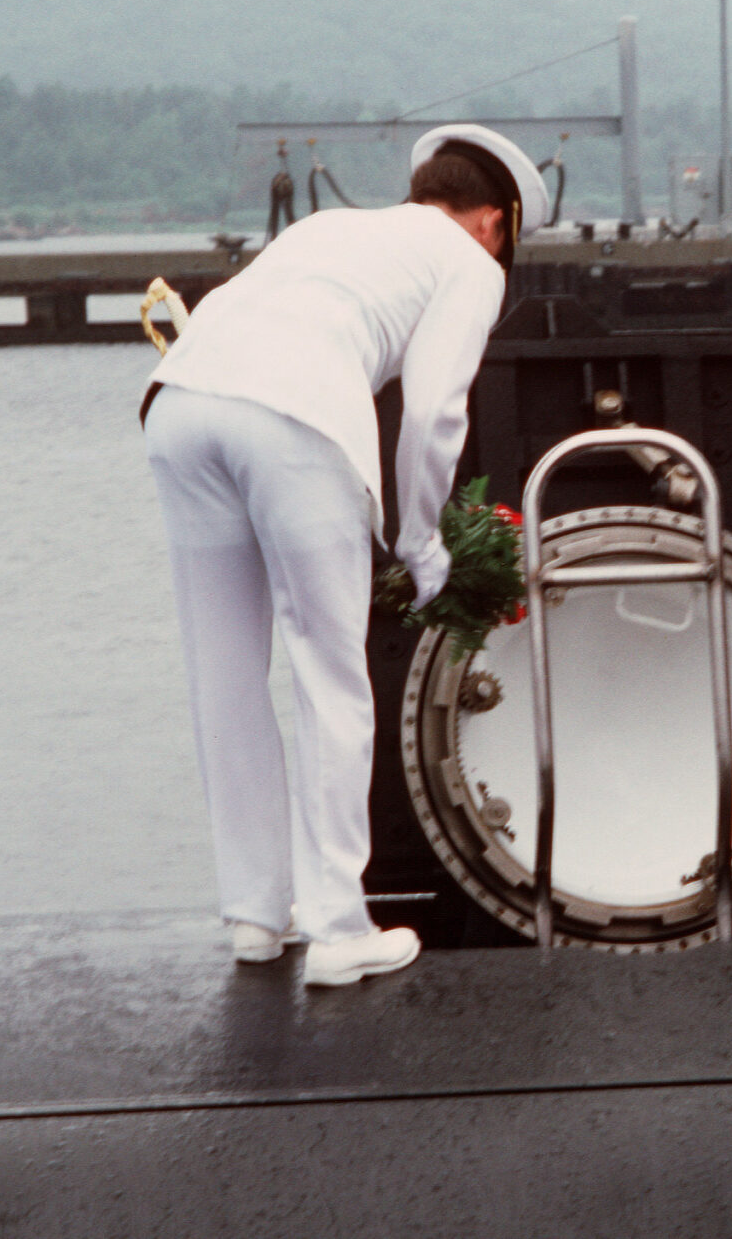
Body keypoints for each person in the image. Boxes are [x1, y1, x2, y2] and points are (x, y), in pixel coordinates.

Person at [139, 124, 546, 986]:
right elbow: (437, 411)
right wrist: (422, 540)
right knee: (330, 675)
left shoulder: (328, 228)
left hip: (181, 403)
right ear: (494, 223)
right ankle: (336, 927)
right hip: (294, 417)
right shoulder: (468, 262)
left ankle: (255, 913)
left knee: (224, 674)